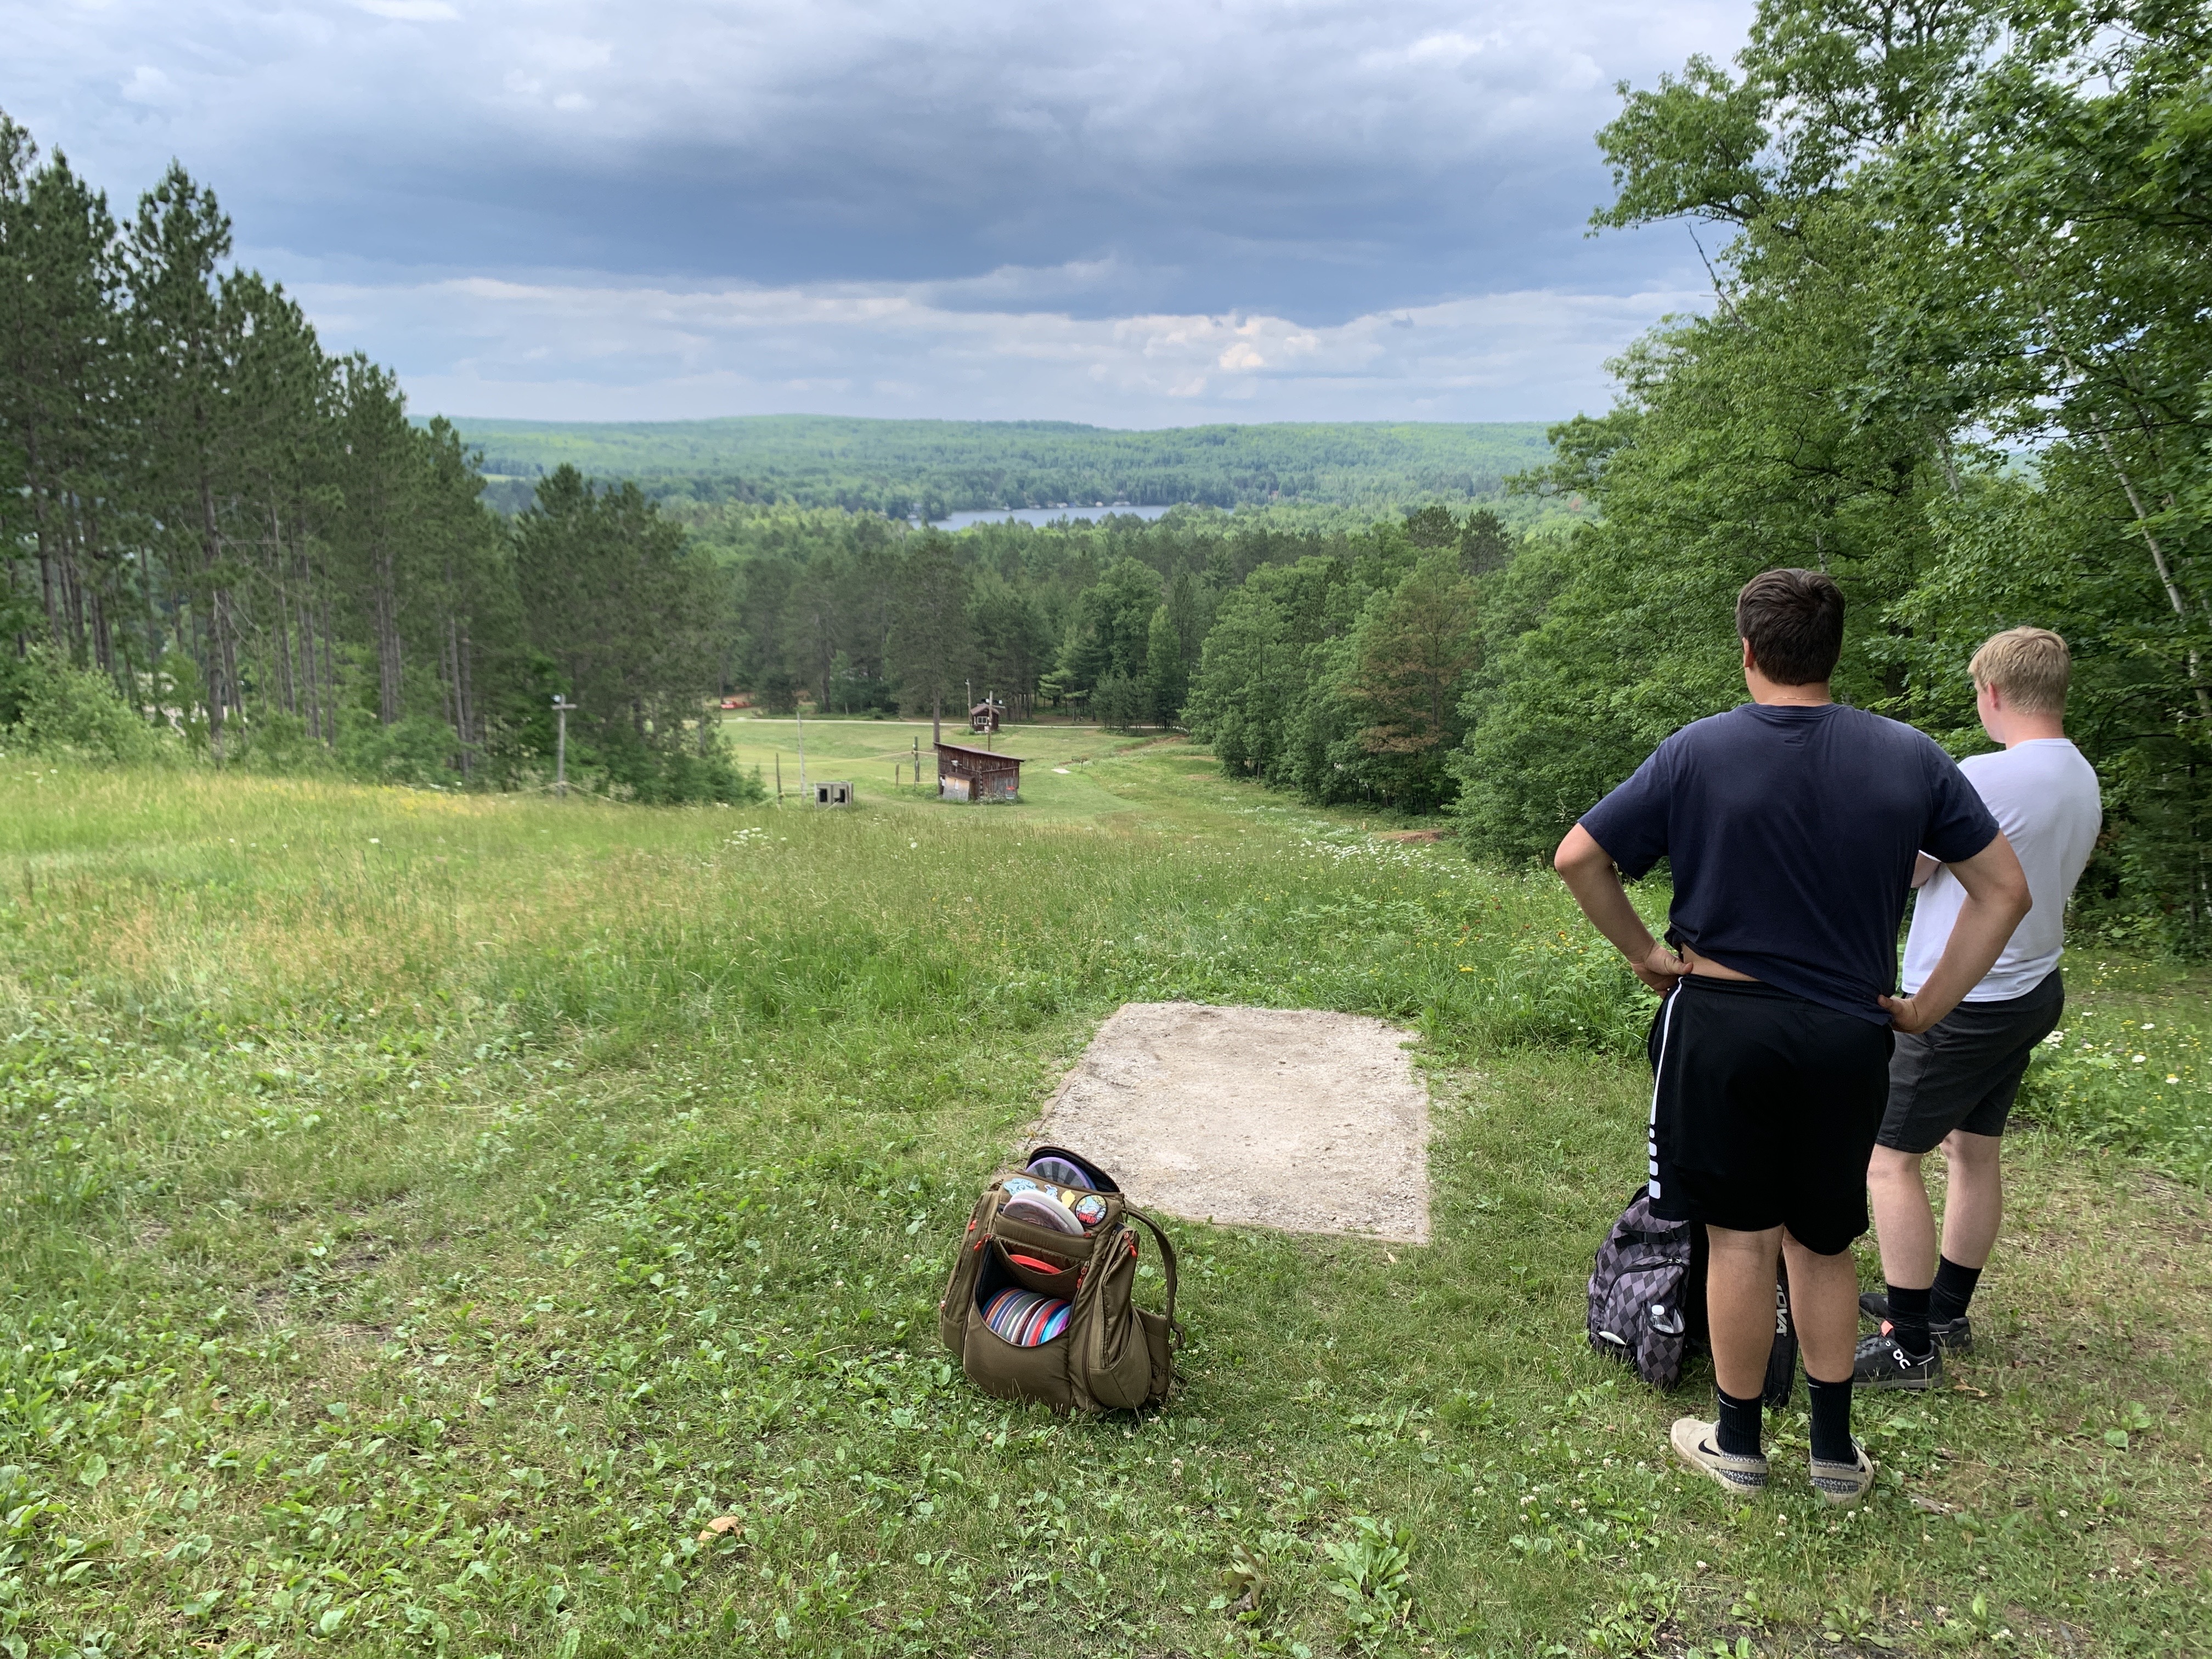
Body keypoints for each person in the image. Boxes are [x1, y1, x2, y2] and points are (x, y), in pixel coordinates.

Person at [1554, 569, 2030, 1506]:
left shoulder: (1697, 751)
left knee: (1739, 1240)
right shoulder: (1911, 756)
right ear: (1834, 653)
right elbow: (2005, 890)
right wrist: (1928, 1007)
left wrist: (1648, 953)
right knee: (1824, 1241)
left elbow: (1580, 856)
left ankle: (1737, 1448)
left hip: (1723, 1023)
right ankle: (1835, 1456)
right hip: (1850, 1031)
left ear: (1747, 651)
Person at [1855, 629, 2102, 1387]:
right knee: (1973, 1149)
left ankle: (1910, 1344)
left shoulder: (1984, 776)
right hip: (2032, 988)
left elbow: (1915, 866)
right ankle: (1947, 1307)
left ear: (1991, 694)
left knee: (1889, 1162)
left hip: (1961, 1000)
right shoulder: (2082, 776)